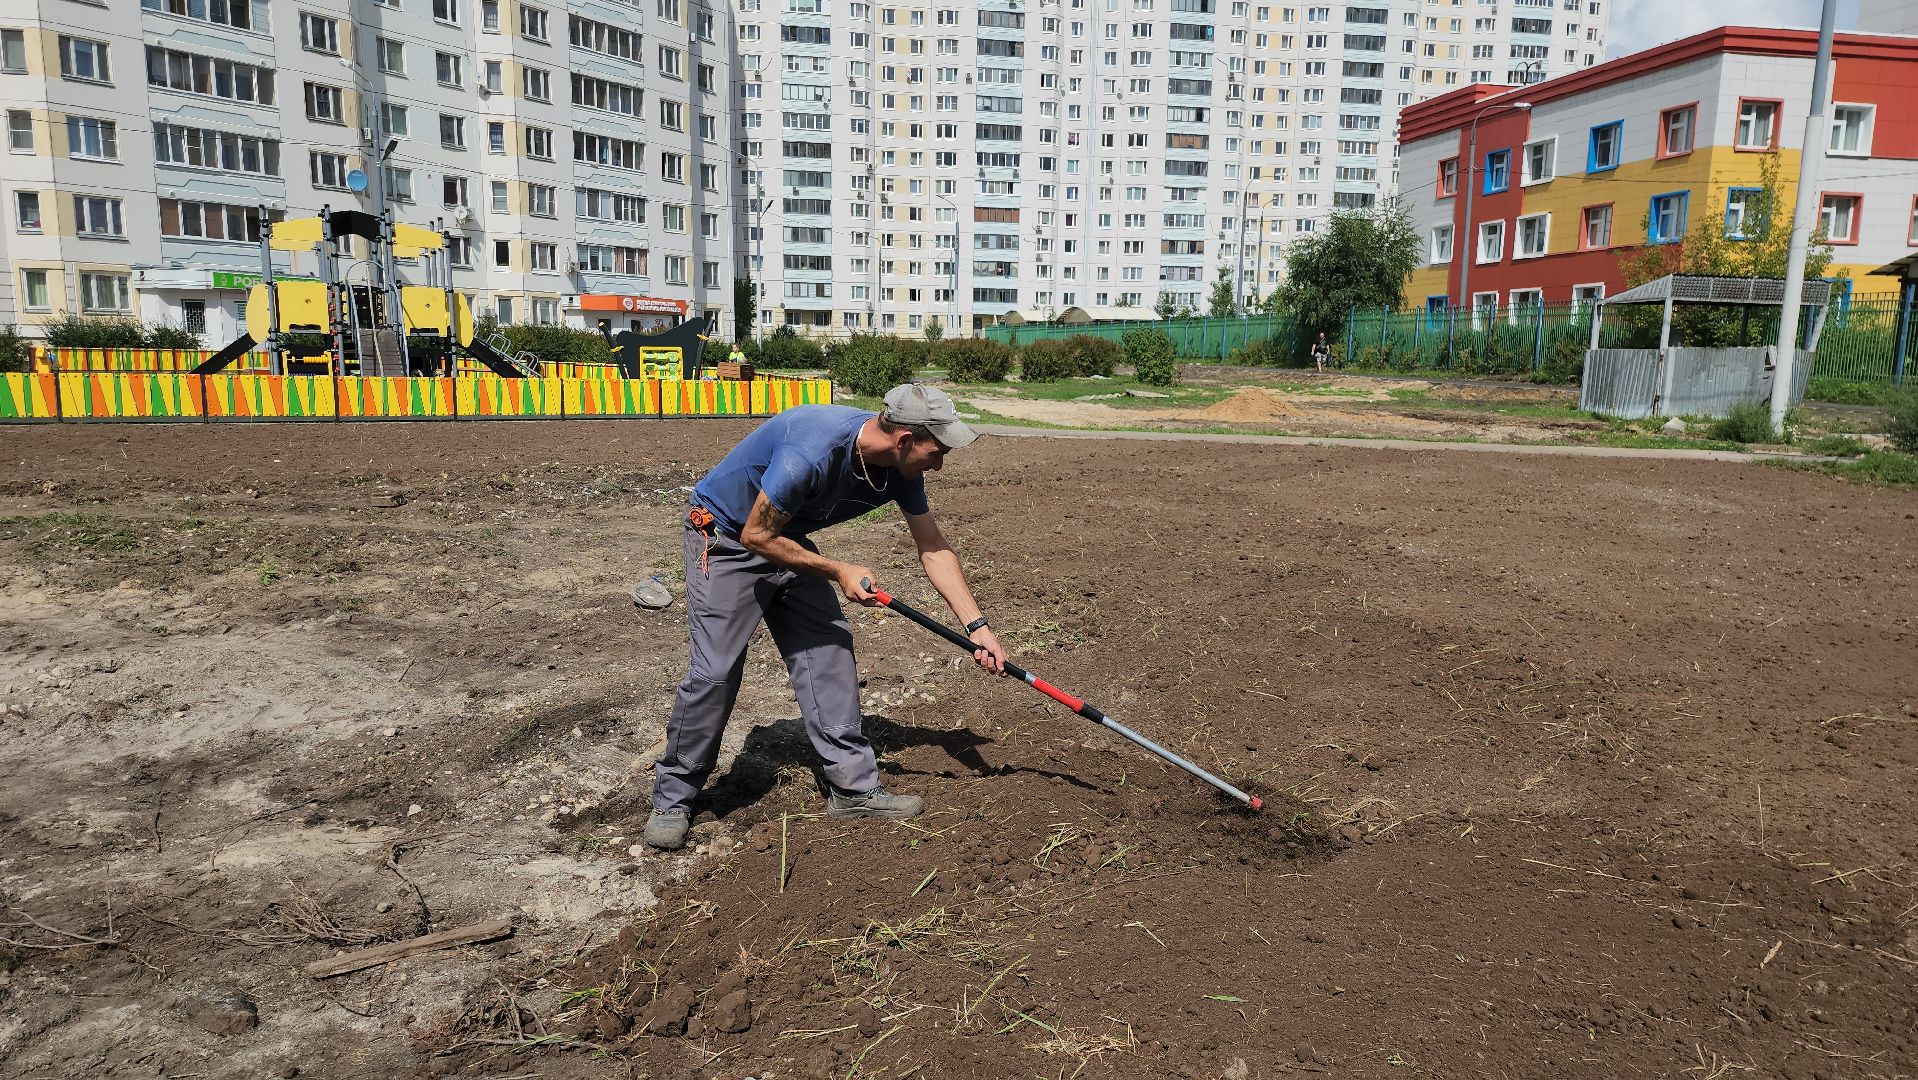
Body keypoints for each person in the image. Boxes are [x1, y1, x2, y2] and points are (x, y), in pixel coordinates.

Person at [644, 384, 1007, 851]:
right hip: (727, 536)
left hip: (786, 537)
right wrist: (839, 570)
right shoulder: (811, 452)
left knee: (829, 649)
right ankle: (674, 798)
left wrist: (978, 628)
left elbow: (933, 548)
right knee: (715, 672)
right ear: (903, 440)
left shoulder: (902, 470)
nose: (939, 464)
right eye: (936, 452)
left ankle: (853, 788)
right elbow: (756, 534)